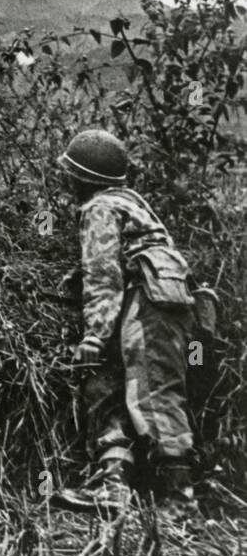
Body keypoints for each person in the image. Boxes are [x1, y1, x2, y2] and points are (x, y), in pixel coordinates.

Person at [54, 129, 198, 515]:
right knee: (109, 381)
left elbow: (103, 277)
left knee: (153, 392)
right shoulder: (134, 203)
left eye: (71, 176)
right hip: (156, 304)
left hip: (147, 305)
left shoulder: (99, 208)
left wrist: (95, 336)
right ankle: (112, 484)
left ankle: (179, 499)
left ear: (84, 178)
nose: (68, 183)